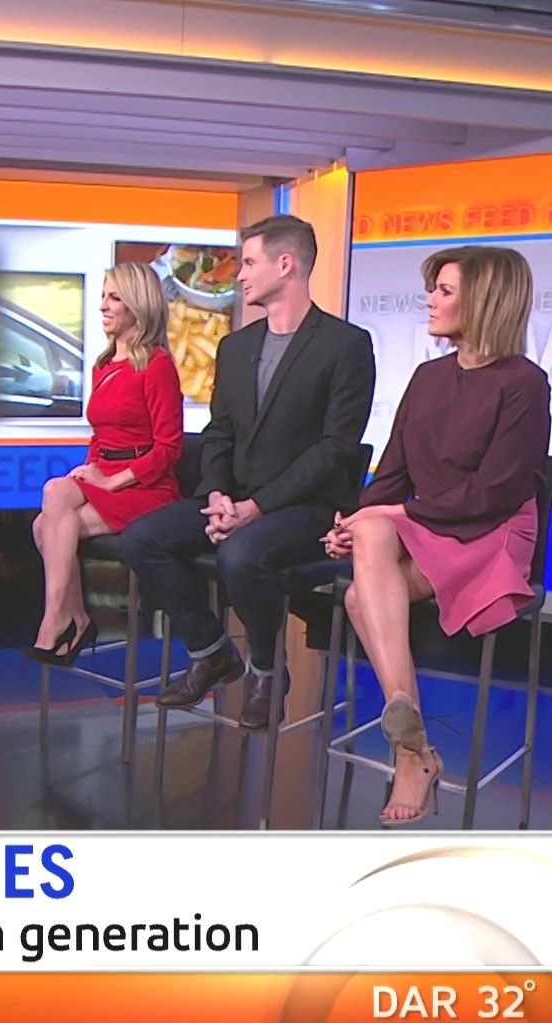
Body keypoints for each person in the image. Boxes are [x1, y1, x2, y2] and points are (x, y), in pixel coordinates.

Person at [323, 244, 551, 825]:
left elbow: (494, 493)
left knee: (361, 594)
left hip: (491, 532)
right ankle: (412, 740)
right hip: (431, 526)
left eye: (444, 291)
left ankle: (410, 748)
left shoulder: (524, 383)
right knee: (368, 545)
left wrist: (390, 515)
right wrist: (354, 521)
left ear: (486, 301)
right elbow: (392, 473)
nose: (430, 301)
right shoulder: (428, 377)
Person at [120, 214, 375, 728]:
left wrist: (256, 508)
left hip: (306, 508)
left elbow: (334, 449)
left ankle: (266, 669)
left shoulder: (345, 345)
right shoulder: (235, 347)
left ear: (286, 265)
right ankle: (210, 650)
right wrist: (217, 493)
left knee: (239, 555)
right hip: (234, 499)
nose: (239, 275)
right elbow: (218, 432)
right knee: (141, 539)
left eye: (250, 263)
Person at [25, 263, 182, 664]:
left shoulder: (157, 366)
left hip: (147, 487)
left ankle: (59, 620)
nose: (103, 306)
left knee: (46, 524)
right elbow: (101, 434)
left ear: (137, 304)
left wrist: (113, 481)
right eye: (103, 296)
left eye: (114, 297)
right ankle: (73, 617)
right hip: (105, 473)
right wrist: (89, 470)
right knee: (53, 500)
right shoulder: (104, 364)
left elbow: (169, 449)